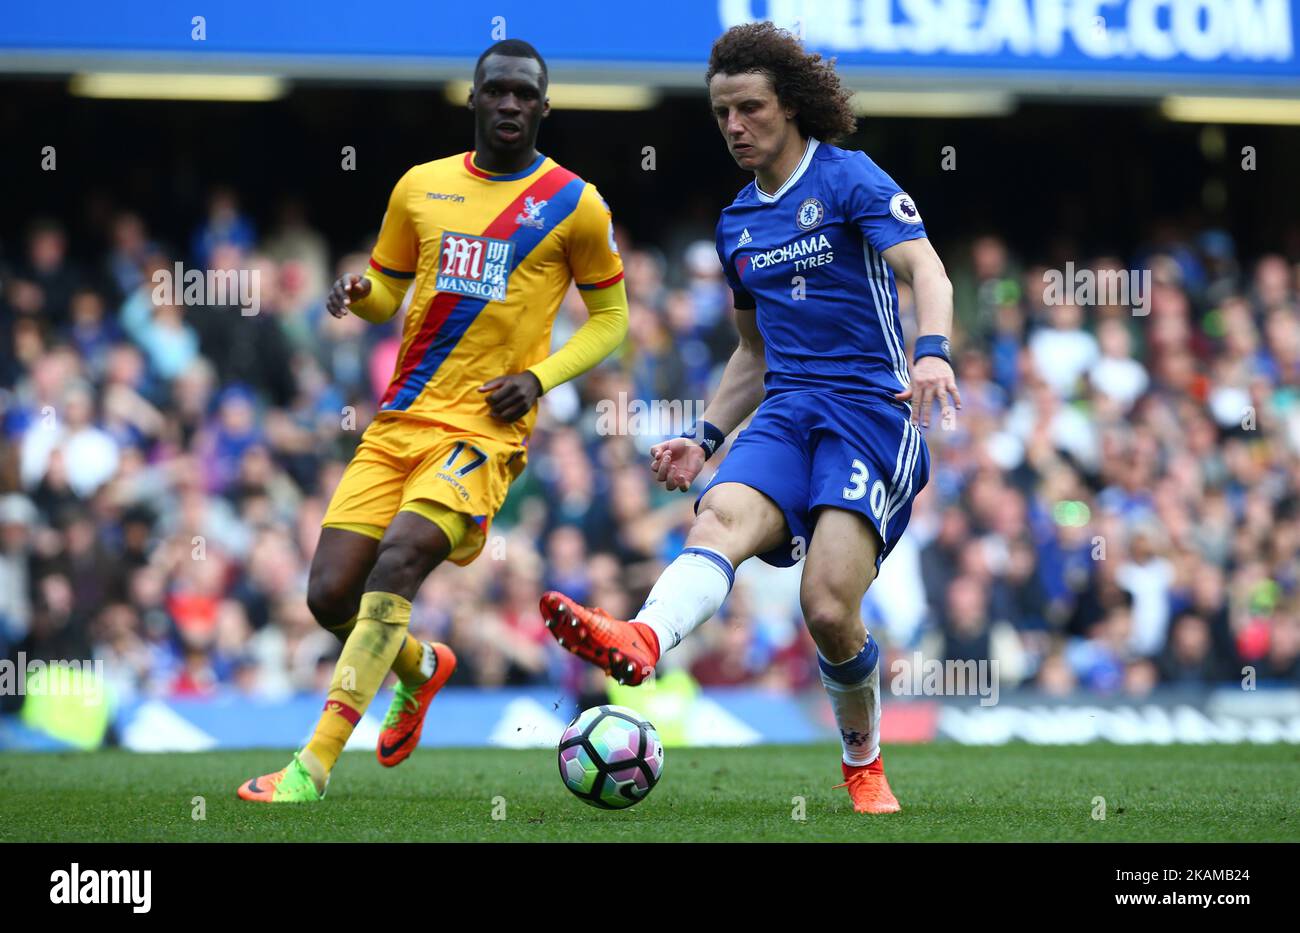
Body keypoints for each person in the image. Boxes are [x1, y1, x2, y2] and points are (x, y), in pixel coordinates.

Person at [540, 22, 960, 815]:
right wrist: (703, 437)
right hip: (786, 408)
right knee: (720, 514)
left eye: (751, 108)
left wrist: (932, 351)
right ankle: (643, 640)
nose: (735, 126)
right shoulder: (738, 224)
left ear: (791, 106)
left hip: (871, 412)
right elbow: (752, 353)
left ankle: (862, 760)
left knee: (829, 604)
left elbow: (927, 268)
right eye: (722, 113)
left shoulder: (850, 180)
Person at [238, 38, 629, 802]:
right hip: (398, 422)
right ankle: (420, 666)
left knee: (398, 563)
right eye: (498, 92)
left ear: (544, 107)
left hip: (483, 431)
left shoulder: (575, 203)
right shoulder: (421, 186)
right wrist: (361, 296)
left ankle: (310, 766)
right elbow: (390, 289)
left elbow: (611, 318)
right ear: (474, 99)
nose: (511, 104)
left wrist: (539, 377)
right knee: (328, 598)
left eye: (526, 94)